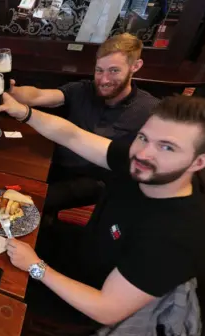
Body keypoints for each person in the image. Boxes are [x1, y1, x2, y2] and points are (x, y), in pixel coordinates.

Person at [0, 93, 205, 336]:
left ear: (200, 161)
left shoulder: (176, 237)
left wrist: (36, 267)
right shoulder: (142, 162)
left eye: (167, 147)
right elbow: (74, 136)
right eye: (143, 137)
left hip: (84, 299)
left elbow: (106, 309)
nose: (143, 153)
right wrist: (24, 112)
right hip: (79, 251)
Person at [9, 33, 159, 215]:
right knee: (10, 180)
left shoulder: (149, 110)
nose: (103, 80)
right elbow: (39, 95)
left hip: (95, 181)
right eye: (99, 70)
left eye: (114, 71)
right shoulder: (83, 89)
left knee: (27, 204)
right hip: (56, 165)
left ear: (135, 66)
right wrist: (12, 91)